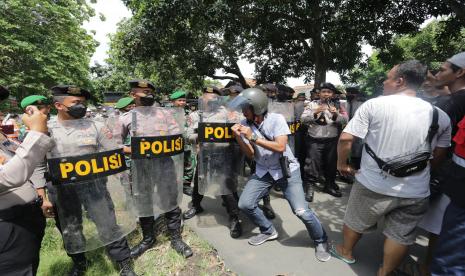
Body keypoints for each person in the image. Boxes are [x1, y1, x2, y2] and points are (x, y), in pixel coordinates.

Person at [333, 60, 451, 276]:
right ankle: (385, 272)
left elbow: (346, 139)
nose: (384, 83)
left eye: (387, 78)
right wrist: (423, 173)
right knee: (400, 235)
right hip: (416, 190)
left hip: (372, 184)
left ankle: (346, 251)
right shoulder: (439, 115)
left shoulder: (374, 105)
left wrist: (342, 164)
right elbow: (440, 154)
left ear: (399, 81)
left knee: (356, 219)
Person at [45, 85, 137, 276]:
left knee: (108, 222)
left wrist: (121, 177)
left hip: (94, 186)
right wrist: (42, 195)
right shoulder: (46, 129)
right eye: (76, 102)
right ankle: (80, 264)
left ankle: (123, 262)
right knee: (70, 227)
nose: (82, 106)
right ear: (58, 105)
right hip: (62, 189)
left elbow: (113, 151)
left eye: (83, 103)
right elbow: (38, 163)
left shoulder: (96, 125)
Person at [231, 88, 331, 262]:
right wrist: (238, 136)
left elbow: (280, 147)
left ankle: (321, 240)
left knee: (301, 211)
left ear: (257, 107)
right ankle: (268, 230)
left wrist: (253, 137)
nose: (242, 111)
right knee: (245, 204)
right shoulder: (245, 123)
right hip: (264, 170)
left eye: (246, 108)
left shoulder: (276, 119)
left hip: (286, 170)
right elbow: (251, 154)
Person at [121, 80, 192, 259]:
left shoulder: (165, 114)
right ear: (133, 95)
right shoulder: (126, 118)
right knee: (144, 203)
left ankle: (175, 237)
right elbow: (115, 145)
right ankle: (148, 238)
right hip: (141, 167)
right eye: (143, 91)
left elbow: (177, 138)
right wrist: (135, 150)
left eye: (150, 91)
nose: (148, 94)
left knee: (171, 202)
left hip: (165, 165)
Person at [0, 85, 54, 276]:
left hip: (24, 221)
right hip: (7, 226)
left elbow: (21, 163)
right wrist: (36, 133)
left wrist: (39, 196)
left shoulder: (2, 135)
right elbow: (6, 178)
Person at [183, 85, 243, 238]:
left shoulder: (227, 113)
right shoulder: (195, 115)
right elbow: (188, 134)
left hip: (224, 154)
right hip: (204, 155)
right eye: (208, 97)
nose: (211, 100)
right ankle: (196, 206)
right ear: (202, 98)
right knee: (199, 182)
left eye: (215, 98)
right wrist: (199, 136)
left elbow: (240, 127)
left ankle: (234, 217)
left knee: (226, 186)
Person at [430, 52, 465, 276]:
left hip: (447, 178)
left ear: (459, 72)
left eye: (443, 69)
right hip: (453, 180)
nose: (437, 74)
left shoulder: (451, 102)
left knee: (446, 243)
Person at [300, 82, 348, 202]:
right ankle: (309, 187)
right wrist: (315, 112)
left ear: (332, 94)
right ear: (319, 93)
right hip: (314, 140)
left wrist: (335, 114)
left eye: (329, 92)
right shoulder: (311, 104)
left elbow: (345, 121)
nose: (326, 94)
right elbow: (303, 120)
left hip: (332, 140)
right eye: (323, 92)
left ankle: (329, 185)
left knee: (331, 164)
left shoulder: (338, 105)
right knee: (312, 164)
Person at [170, 89, 195, 196]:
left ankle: (186, 185)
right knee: (173, 166)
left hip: (187, 144)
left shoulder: (188, 113)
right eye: (179, 100)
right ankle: (173, 187)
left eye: (184, 100)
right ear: (173, 102)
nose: (182, 102)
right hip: (173, 145)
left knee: (189, 165)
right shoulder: (167, 114)